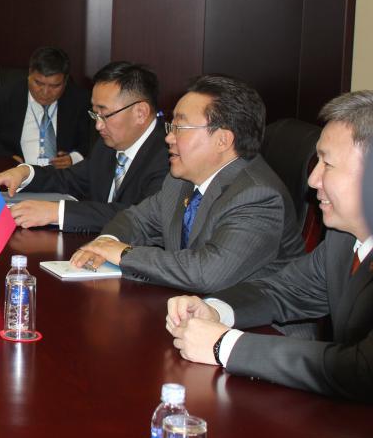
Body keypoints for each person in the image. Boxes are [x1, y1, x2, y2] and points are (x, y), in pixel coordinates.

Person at [167, 91, 373, 402]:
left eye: (327, 164)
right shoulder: (343, 239)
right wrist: (215, 310)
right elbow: (285, 290)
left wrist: (226, 346)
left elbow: (362, 370)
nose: (313, 180)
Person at [69, 75, 305, 292]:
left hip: (248, 320)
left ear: (222, 140)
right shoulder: (180, 180)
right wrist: (106, 243)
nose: (168, 137)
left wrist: (124, 254)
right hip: (189, 306)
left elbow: (207, 273)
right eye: (171, 127)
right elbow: (135, 219)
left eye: (179, 128)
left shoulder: (257, 196)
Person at [0, 61, 169, 232]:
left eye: (105, 114)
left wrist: (57, 212)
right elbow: (70, 180)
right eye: (95, 113)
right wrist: (25, 173)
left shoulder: (169, 157)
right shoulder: (108, 145)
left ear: (140, 113)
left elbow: (141, 216)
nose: (98, 125)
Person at [0, 47, 93, 167]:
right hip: (17, 173)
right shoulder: (6, 96)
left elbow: (91, 141)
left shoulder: (80, 101)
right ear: (29, 74)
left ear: (65, 81)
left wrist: (74, 158)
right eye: (38, 83)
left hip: (63, 175)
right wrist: (8, 157)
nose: (45, 92)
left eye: (54, 86)